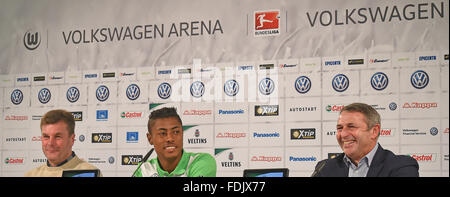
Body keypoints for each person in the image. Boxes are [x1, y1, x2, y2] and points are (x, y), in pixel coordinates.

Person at [312, 103, 419, 177]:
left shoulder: (402, 166)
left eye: (351, 127)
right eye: (340, 128)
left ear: (374, 131)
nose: (343, 134)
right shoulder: (324, 167)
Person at [133, 107, 216, 177]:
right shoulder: (144, 170)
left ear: (182, 133)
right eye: (162, 133)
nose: (170, 138)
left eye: (176, 132)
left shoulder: (201, 162)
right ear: (150, 138)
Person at [25, 109, 102, 177]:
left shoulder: (90, 173)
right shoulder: (31, 175)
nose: (50, 143)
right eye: (46, 137)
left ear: (72, 139)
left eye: (57, 136)